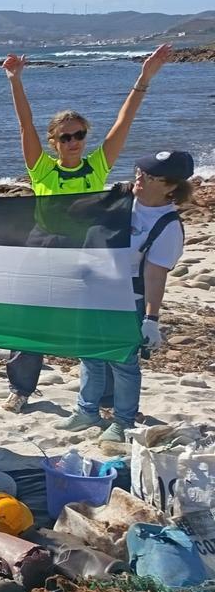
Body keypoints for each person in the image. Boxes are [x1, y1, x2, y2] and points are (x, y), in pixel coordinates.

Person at [0, 43, 173, 413]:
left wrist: (145, 76)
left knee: (98, 322)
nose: (73, 142)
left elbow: (123, 122)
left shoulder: (97, 167)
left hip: (88, 251)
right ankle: (21, 387)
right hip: (44, 247)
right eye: (65, 137)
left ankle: (106, 397)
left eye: (79, 135)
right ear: (54, 142)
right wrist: (15, 80)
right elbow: (25, 124)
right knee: (30, 321)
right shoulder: (42, 168)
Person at [54, 151, 193, 443]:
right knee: (89, 354)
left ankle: (123, 420)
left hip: (126, 296)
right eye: (139, 171)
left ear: (170, 186)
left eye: (150, 176)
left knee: (123, 362)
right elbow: (73, 213)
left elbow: (156, 276)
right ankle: (87, 411)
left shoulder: (167, 226)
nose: (139, 178)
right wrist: (106, 198)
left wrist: (151, 319)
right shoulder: (121, 200)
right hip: (94, 288)